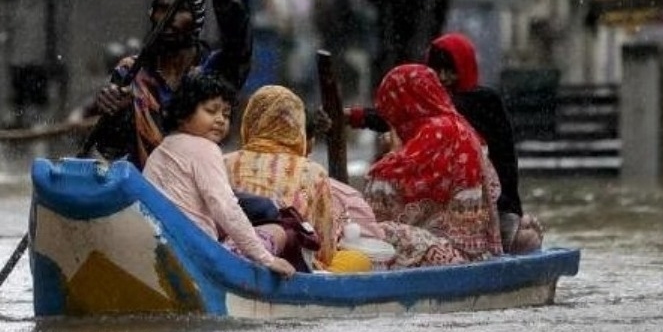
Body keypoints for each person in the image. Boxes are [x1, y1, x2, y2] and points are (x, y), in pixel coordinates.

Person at [346, 32, 542, 253]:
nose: (444, 78)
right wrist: (358, 117)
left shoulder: (469, 107)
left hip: (492, 207)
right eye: (437, 71)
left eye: (450, 71)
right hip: (461, 211)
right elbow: (403, 111)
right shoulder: (442, 119)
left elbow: (405, 110)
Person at [83, 0, 253, 168]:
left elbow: (239, 43)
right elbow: (110, 150)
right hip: (143, 191)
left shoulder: (213, 72)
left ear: (196, 19)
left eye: (179, 10)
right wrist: (116, 114)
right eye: (161, 9)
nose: (169, 17)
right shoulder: (130, 74)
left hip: (199, 189)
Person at [143, 72, 296, 278]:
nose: (220, 120)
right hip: (198, 255)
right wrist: (266, 259)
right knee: (277, 232)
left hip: (159, 248)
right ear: (183, 114)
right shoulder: (205, 148)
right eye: (211, 110)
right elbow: (225, 207)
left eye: (225, 114)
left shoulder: (161, 150)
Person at [364, 64, 504, 268]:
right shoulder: (458, 124)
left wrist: (390, 154)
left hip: (453, 255)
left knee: (373, 230)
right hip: (475, 251)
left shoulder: (439, 130)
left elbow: (387, 180)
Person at [226, 85, 367, 272]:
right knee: (358, 260)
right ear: (298, 126)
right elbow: (324, 250)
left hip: (229, 257)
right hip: (293, 266)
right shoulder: (313, 172)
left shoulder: (224, 162)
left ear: (250, 121)